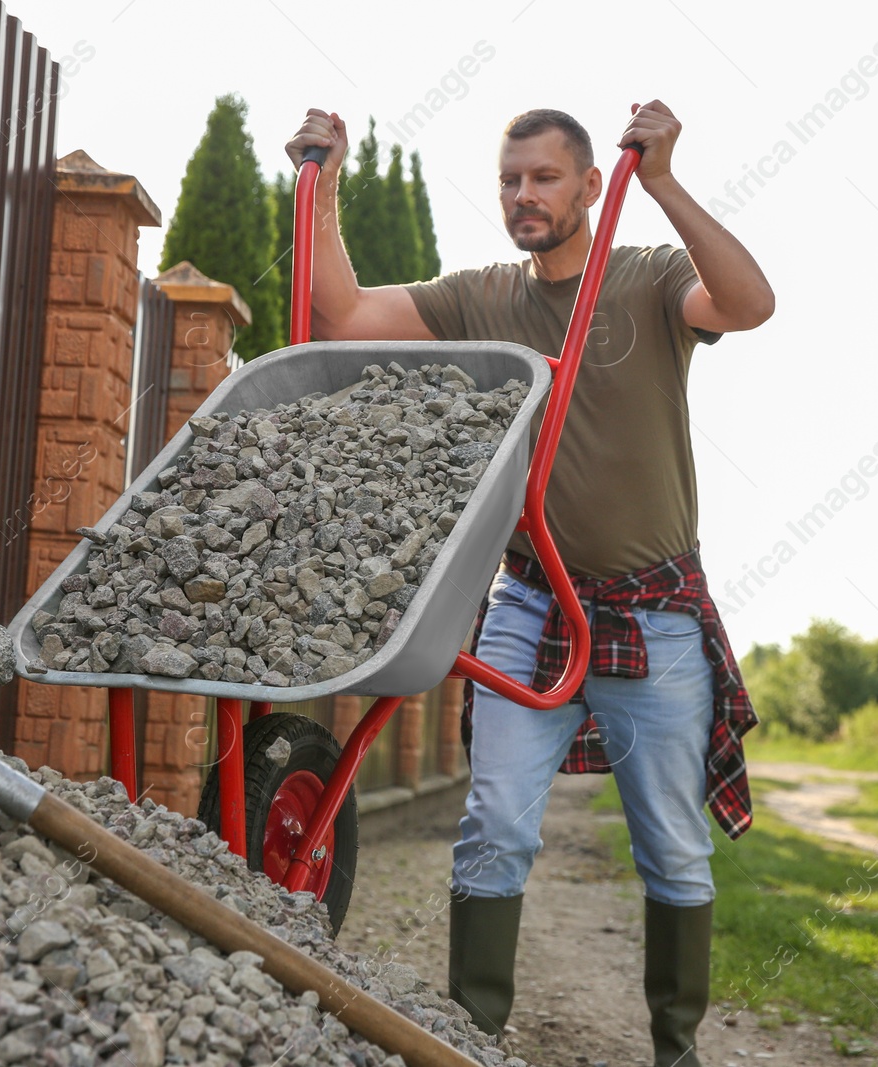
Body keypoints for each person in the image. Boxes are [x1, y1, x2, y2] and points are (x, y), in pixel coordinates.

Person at [286, 101, 771, 1067]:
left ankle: (676, 1049)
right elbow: (341, 313)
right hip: (533, 604)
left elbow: (750, 302)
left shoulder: (643, 278)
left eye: (545, 179)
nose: (524, 196)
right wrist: (325, 178)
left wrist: (665, 180)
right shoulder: (484, 297)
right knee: (493, 826)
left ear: (592, 186)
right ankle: (474, 1039)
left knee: (672, 848)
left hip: (651, 610)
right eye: (511, 181)